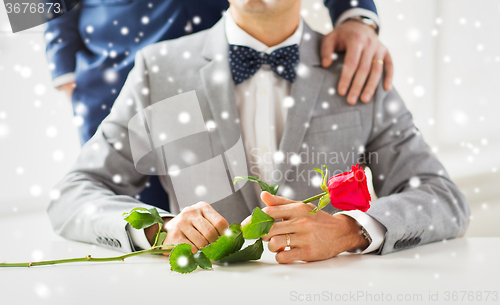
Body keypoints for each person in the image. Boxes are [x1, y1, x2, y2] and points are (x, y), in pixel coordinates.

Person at [48, 0, 469, 263]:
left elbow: (443, 198)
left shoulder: (355, 73)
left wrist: (349, 229)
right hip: (107, 78)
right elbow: (76, 193)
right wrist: (60, 60)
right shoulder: (157, 70)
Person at [44, 0, 392, 211]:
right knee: (136, 229)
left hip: (228, 58)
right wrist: (61, 63)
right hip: (114, 70)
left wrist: (355, 14)